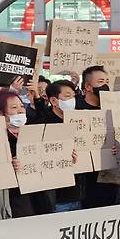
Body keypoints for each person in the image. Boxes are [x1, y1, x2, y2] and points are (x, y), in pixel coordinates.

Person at [0, 90, 52, 219]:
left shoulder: (33, 133)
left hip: (38, 196)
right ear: (0, 113)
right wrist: (8, 164)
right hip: (15, 199)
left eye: (22, 106)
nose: (20, 111)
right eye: (14, 107)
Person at [77, 66, 120, 208]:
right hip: (86, 181)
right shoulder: (76, 110)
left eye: (107, 81)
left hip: (111, 178)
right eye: (101, 82)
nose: (105, 86)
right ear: (88, 86)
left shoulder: (114, 110)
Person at [42, 80, 82, 212]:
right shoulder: (43, 124)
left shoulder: (81, 120)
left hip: (80, 191)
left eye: (73, 96)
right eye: (67, 96)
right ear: (54, 101)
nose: (72, 100)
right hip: (57, 194)